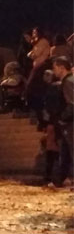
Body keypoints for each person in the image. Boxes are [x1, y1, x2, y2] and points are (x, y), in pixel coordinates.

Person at [51, 56, 73, 188]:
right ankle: (62, 179)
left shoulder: (68, 82)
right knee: (65, 151)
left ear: (62, 68)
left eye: (55, 68)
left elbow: (72, 104)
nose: (54, 71)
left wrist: (62, 118)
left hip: (71, 123)